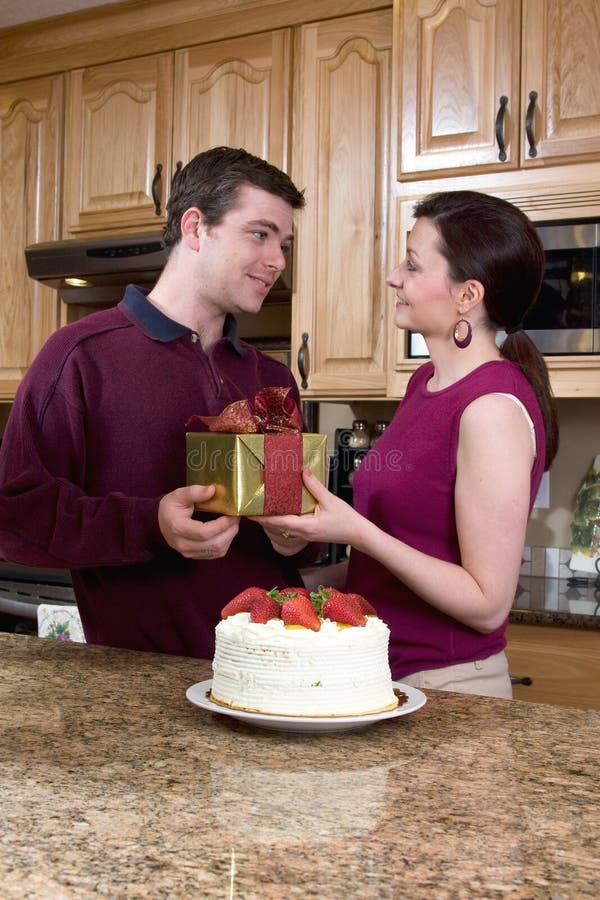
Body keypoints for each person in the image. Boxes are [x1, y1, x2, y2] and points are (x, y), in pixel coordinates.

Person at [0, 146, 313, 656]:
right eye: (259, 233)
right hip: (145, 682)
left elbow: (293, 519)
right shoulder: (80, 357)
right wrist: (152, 524)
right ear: (194, 228)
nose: (277, 260)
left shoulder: (271, 378)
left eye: (284, 242)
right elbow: (15, 518)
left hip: (274, 668)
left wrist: (295, 536)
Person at [254, 190, 559, 699]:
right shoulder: (426, 384)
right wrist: (296, 585)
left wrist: (357, 530)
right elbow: (400, 562)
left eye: (413, 266)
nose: (394, 276)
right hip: (384, 676)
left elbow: (487, 603)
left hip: (450, 690)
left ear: (467, 296)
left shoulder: (492, 410)